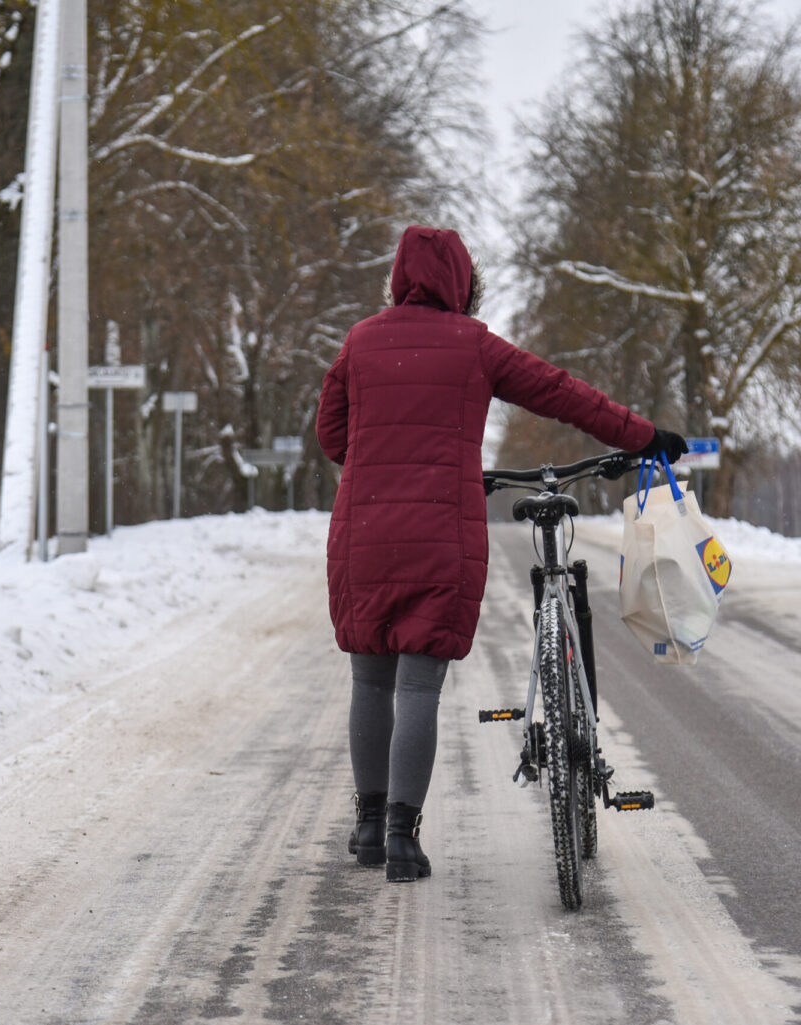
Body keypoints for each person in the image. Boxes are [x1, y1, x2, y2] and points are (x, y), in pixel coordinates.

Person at [315, 225, 686, 882]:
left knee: (370, 679)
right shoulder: (474, 346)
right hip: (440, 536)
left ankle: (369, 826)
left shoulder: (361, 341)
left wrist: (381, 459)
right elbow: (564, 393)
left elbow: (332, 435)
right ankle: (404, 836)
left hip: (365, 531)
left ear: (397, 279)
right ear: (463, 283)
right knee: (418, 685)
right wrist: (646, 435)